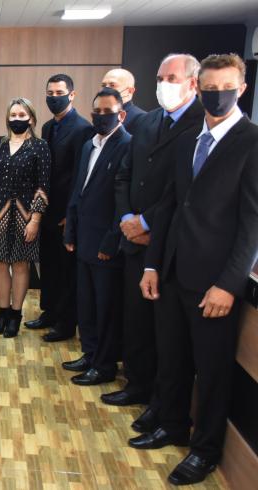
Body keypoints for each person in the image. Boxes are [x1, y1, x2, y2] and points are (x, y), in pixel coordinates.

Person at [131, 53, 258, 486]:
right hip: (171, 272)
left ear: (241, 89)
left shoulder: (251, 142)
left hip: (214, 283)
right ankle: (171, 425)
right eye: (209, 88)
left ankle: (204, 451)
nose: (217, 95)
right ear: (198, 89)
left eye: (226, 88)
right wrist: (152, 264)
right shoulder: (188, 140)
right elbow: (169, 207)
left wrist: (229, 284)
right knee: (172, 358)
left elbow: (252, 224)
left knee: (213, 371)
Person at [110, 54, 204, 412]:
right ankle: (136, 385)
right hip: (133, 239)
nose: (164, 84)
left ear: (192, 83)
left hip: (168, 243)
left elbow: (183, 189)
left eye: (172, 78)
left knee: (168, 335)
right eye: (160, 77)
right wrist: (127, 218)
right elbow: (125, 174)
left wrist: (147, 222)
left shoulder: (202, 123)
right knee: (135, 321)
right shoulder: (148, 122)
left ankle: (161, 405)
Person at [63, 87, 131, 385]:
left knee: (106, 309)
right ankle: (89, 354)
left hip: (106, 244)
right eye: (97, 112)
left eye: (108, 112)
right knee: (87, 304)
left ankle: (104, 365)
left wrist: (112, 240)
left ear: (121, 114)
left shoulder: (127, 145)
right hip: (83, 239)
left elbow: (124, 201)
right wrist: (70, 229)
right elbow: (78, 190)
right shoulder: (89, 145)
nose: (101, 117)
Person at [25, 74, 94, 343]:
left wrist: (70, 214)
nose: (54, 97)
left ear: (72, 95)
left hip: (66, 213)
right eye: (50, 93)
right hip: (46, 210)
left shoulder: (82, 128)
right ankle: (49, 313)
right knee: (49, 266)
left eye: (59, 92)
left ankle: (65, 324)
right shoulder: (47, 127)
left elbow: (80, 175)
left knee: (66, 271)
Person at [0, 97, 50, 338]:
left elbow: (43, 186)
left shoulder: (40, 146)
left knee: (21, 265)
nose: (17, 119)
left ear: (31, 118)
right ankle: (2, 314)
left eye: (22, 115)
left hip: (26, 215)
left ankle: (15, 315)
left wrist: (36, 220)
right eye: (13, 115)